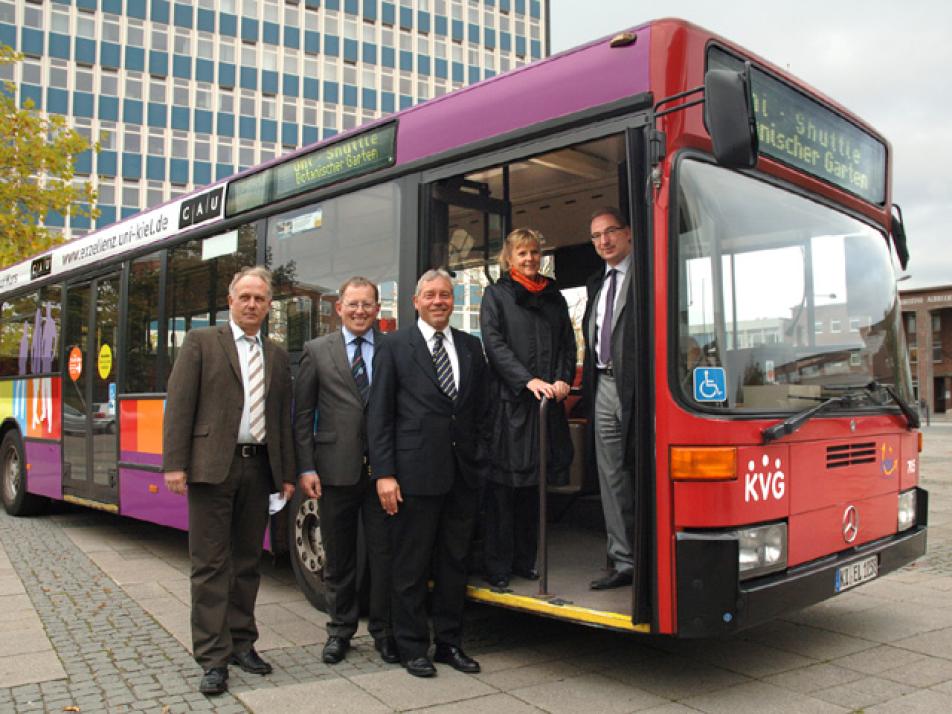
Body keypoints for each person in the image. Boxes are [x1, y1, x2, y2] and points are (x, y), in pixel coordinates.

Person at [163, 266, 296, 696]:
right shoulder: (202, 343)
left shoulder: (276, 354)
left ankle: (243, 643)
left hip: (258, 469)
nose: (252, 304)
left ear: (269, 305)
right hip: (209, 469)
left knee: (246, 563)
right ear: (231, 300)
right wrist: (174, 465)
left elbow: (281, 419)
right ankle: (213, 658)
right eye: (245, 297)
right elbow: (179, 405)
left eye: (260, 298)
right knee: (209, 566)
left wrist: (286, 474)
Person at [368, 268, 488, 678]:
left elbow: (481, 413)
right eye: (431, 295)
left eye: (445, 295)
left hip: (462, 475)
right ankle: (411, 645)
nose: (439, 301)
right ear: (416, 301)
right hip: (412, 475)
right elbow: (379, 415)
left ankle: (449, 643)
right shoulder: (394, 346)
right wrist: (384, 473)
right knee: (411, 565)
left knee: (455, 564)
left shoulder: (472, 347)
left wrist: (481, 459)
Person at [293, 276, 398, 666]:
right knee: (338, 558)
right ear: (338, 308)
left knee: (384, 556)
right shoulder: (316, 351)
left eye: (367, 304)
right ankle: (339, 632)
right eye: (352, 304)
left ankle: (384, 633)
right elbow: (302, 416)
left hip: (384, 473)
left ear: (377, 308)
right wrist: (305, 466)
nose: (359, 311)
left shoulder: (392, 348)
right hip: (335, 470)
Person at [479, 228, 576, 589]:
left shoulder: (554, 297)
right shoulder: (495, 295)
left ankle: (525, 560)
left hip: (546, 408)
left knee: (535, 491)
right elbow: (494, 344)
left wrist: (562, 379)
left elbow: (568, 342)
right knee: (504, 491)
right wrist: (526, 380)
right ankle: (498, 565)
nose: (530, 259)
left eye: (534, 252)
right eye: (522, 253)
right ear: (509, 258)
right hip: (510, 409)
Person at [582, 207, 636, 591]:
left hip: (638, 387)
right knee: (611, 476)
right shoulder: (596, 284)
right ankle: (623, 559)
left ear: (629, 234)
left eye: (611, 231)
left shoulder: (646, 274)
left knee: (638, 470)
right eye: (597, 235)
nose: (604, 241)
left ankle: (647, 554)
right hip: (603, 384)